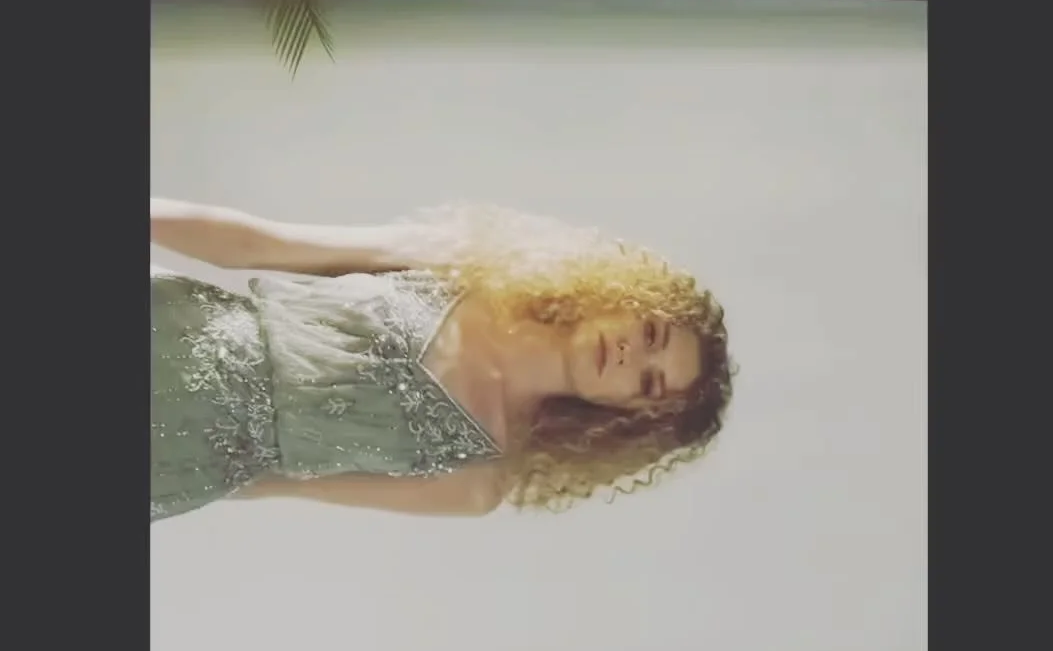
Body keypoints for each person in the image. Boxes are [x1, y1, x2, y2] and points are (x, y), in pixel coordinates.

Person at [151, 199, 734, 522]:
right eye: (651, 334)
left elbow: (280, 486)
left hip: (175, 455)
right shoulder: (461, 265)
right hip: (173, 326)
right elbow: (260, 243)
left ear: (625, 414)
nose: (631, 356)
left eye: (648, 382)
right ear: (627, 302)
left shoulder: (478, 481)